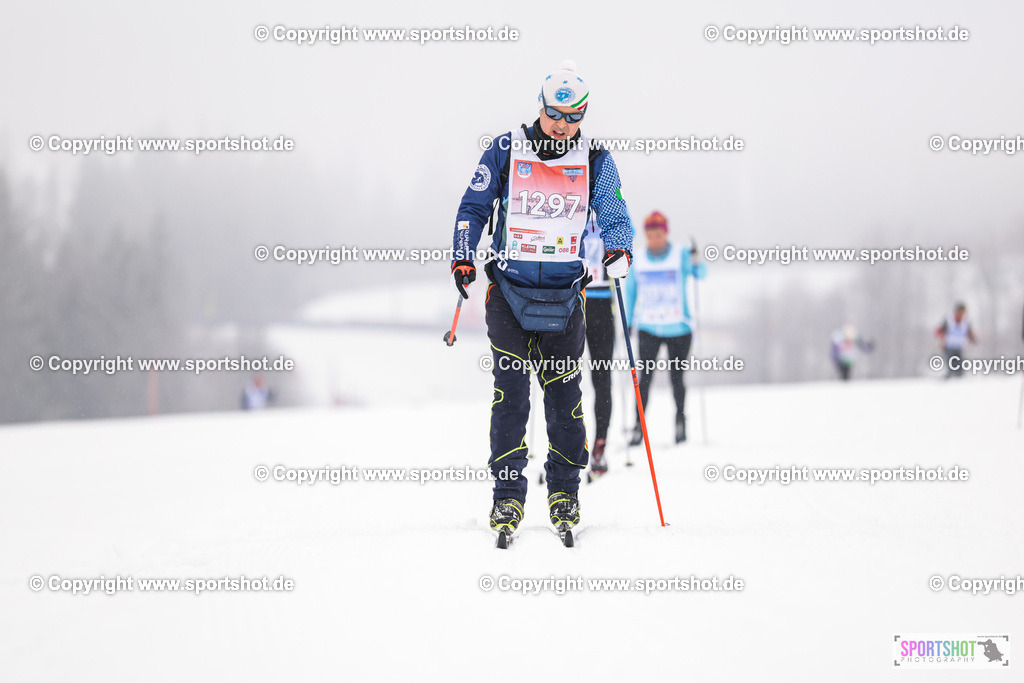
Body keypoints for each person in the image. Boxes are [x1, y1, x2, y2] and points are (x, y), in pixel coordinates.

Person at [450, 61, 635, 539]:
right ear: (541, 105)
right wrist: (463, 256)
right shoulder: (507, 148)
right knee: (510, 401)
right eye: (555, 113)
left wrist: (620, 250)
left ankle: (564, 492)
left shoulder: (594, 157)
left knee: (565, 403)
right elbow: (472, 206)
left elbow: (615, 210)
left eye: (574, 115)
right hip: (509, 297)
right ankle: (507, 498)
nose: (563, 124)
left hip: (563, 302)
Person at [624, 212, 706, 444]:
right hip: (648, 327)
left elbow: (701, 274)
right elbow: (630, 292)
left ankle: (680, 422)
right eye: (650, 235)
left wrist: (697, 260)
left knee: (676, 378)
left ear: (665, 233)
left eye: (658, 235)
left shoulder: (680, 254)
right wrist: (628, 322)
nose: (654, 240)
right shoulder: (638, 258)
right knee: (644, 378)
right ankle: (638, 426)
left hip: (679, 327)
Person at [580, 215, 615, 476]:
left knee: (602, 377)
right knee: (564, 375)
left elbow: (627, 244)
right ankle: (570, 443)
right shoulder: (571, 203)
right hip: (574, 300)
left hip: (602, 305)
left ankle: (600, 443)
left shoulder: (609, 212)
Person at [934, 302, 977, 378]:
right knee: (951, 366)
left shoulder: (965, 322)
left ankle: (959, 381)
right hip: (948, 347)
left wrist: (972, 339)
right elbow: (940, 331)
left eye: (963, 312)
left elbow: (969, 333)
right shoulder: (949, 320)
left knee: (959, 367)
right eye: (960, 312)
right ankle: (948, 381)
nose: (961, 314)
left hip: (959, 347)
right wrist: (940, 338)